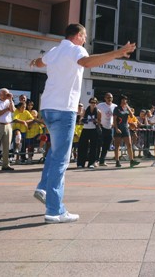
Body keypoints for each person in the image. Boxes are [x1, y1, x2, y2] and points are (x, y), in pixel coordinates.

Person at [30, 23, 136, 224]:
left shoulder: (54, 51)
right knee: (61, 159)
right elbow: (87, 62)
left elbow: (40, 63)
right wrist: (117, 53)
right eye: (84, 35)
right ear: (78, 35)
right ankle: (55, 210)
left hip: (48, 108)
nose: (86, 39)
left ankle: (43, 187)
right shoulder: (76, 49)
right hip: (64, 109)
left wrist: (34, 61)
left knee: (55, 151)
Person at [112, 95, 140, 168]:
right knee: (117, 145)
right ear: (121, 100)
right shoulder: (117, 109)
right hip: (118, 127)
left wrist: (128, 107)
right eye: (123, 99)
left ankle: (131, 160)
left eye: (125, 100)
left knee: (129, 144)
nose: (125, 101)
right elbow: (114, 120)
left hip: (125, 128)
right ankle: (117, 161)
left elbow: (131, 116)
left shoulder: (126, 108)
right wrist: (116, 128)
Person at [77, 97, 101, 169]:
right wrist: (84, 120)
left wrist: (96, 121)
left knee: (93, 147)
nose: (93, 104)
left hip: (94, 129)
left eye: (95, 103)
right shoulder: (85, 110)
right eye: (92, 102)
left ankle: (91, 163)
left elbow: (99, 121)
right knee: (82, 146)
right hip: (85, 129)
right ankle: (81, 163)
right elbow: (80, 120)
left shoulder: (98, 111)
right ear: (89, 103)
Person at [96, 93, 116, 166]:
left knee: (107, 145)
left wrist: (114, 123)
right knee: (99, 144)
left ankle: (102, 160)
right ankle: (96, 160)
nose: (109, 99)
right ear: (105, 98)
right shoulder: (100, 105)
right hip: (101, 127)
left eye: (110, 97)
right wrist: (98, 123)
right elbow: (95, 113)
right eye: (107, 97)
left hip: (110, 128)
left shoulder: (115, 106)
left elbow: (116, 117)